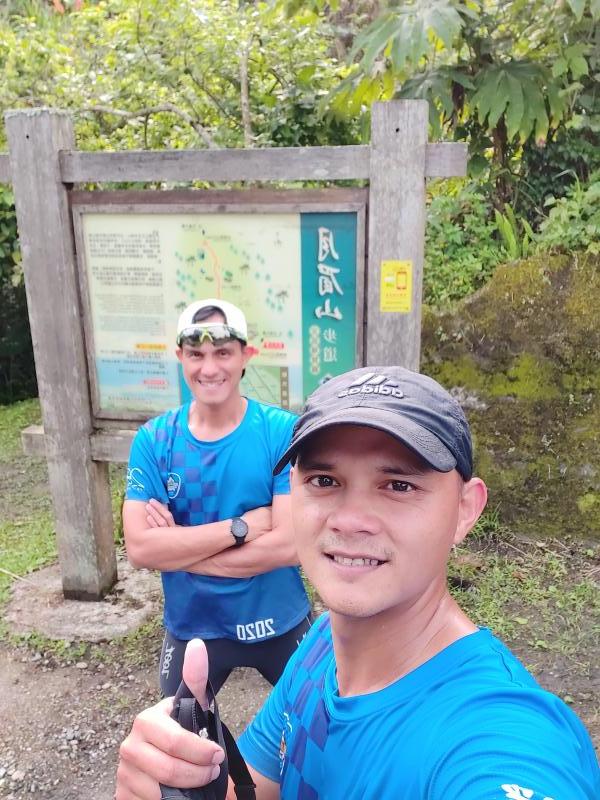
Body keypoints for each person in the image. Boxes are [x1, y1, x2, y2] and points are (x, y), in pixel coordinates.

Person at [117, 366, 600, 800]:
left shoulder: (496, 736)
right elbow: (256, 787)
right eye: (325, 481)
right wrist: (181, 782)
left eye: (399, 485)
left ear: (465, 510)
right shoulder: (321, 646)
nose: (349, 520)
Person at [123, 298, 311, 697]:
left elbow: (290, 546)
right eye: (196, 354)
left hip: (277, 619)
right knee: (179, 732)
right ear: (180, 357)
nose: (209, 369)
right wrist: (240, 528)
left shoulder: (281, 432)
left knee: (316, 725)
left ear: (246, 355)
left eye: (223, 353)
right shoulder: (154, 440)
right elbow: (140, 548)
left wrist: (177, 549)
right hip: (193, 626)